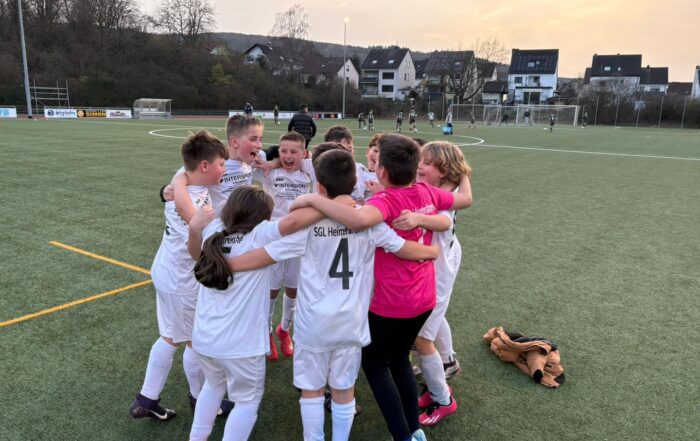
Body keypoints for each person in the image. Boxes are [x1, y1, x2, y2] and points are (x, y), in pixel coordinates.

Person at [224, 150, 440, 441]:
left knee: (312, 390)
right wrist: (432, 251)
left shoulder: (308, 225)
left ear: (320, 186)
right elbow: (403, 249)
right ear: (354, 182)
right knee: (344, 389)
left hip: (314, 323)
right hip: (352, 322)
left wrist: (224, 265)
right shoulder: (368, 222)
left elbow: (265, 255)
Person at [290, 133, 472, 441]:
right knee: (399, 359)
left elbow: (357, 221)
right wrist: (463, 171)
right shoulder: (427, 191)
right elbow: (464, 200)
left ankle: (403, 435)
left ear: (382, 171)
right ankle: (414, 430)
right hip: (424, 297)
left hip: (393, 301)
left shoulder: (384, 202)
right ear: (415, 168)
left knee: (375, 364)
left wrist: (312, 199)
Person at [186, 186, 325, 441]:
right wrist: (333, 205)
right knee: (246, 402)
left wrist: (194, 228)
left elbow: (196, 254)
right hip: (242, 345)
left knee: (212, 388)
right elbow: (294, 222)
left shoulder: (214, 229)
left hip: (205, 339)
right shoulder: (261, 233)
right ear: (262, 216)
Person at [129, 131, 231, 422]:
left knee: (170, 336)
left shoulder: (183, 183)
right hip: (182, 280)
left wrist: (175, 182)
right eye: (221, 164)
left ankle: (147, 398)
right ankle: (201, 400)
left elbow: (180, 176)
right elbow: (198, 242)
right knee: (194, 341)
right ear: (204, 166)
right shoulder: (192, 202)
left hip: (166, 271)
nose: (224, 169)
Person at [397, 142, 473, 426]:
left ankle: (444, 399)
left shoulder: (443, 196)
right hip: (437, 262)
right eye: (421, 161)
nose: (420, 166)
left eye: (427, 163)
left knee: (421, 338)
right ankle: (445, 365)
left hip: (438, 269)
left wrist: (417, 218)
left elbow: (443, 221)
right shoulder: (436, 189)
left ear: (444, 171)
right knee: (433, 321)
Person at [262, 132, 314, 362]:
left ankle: (284, 329)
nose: (288, 156)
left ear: (304, 154)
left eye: (294, 151)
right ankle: (266, 332)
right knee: (271, 289)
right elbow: (247, 164)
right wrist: (272, 162)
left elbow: (320, 162)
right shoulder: (270, 172)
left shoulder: (308, 172)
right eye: (283, 151)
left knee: (293, 288)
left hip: (299, 240)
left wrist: (306, 159)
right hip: (274, 239)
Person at [169, 115, 265, 218]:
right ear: (235, 142)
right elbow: (184, 176)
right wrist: (165, 190)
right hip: (219, 224)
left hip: (244, 222)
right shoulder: (214, 162)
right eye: (253, 139)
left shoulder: (258, 157)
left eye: (260, 139)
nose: (260, 145)